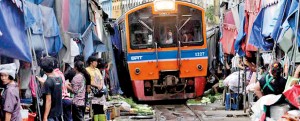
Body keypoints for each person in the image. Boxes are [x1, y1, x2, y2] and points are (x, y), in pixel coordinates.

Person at [86, 56, 106, 121]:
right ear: (91, 62)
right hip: (93, 91)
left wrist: (101, 85)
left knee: (101, 107)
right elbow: (88, 81)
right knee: (95, 108)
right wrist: (97, 85)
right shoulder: (87, 70)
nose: (97, 63)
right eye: (95, 61)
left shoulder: (97, 70)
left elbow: (101, 79)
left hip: (100, 91)